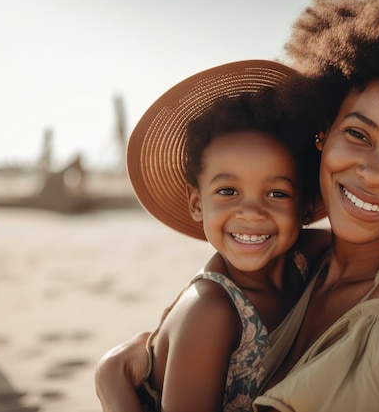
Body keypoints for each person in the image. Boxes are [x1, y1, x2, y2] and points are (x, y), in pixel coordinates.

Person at [97, 0, 379, 411]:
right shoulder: (304, 259)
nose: (375, 172)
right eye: (358, 134)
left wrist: (112, 384)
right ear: (323, 132)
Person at [96, 60, 330, 412]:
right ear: (197, 203)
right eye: (227, 192)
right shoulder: (211, 311)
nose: (251, 212)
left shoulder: (306, 257)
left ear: (307, 206)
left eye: (277, 193)